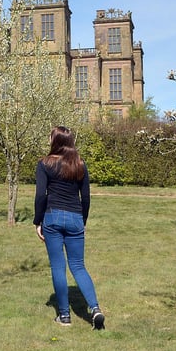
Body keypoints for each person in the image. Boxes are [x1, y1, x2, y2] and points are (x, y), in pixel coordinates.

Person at [33, 125, 105, 330]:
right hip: (75, 217)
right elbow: (87, 197)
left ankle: (64, 316)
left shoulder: (45, 164)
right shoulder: (80, 165)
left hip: (52, 217)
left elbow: (40, 196)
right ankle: (95, 309)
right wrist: (83, 220)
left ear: (55, 141)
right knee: (78, 266)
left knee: (58, 267)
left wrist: (37, 221)